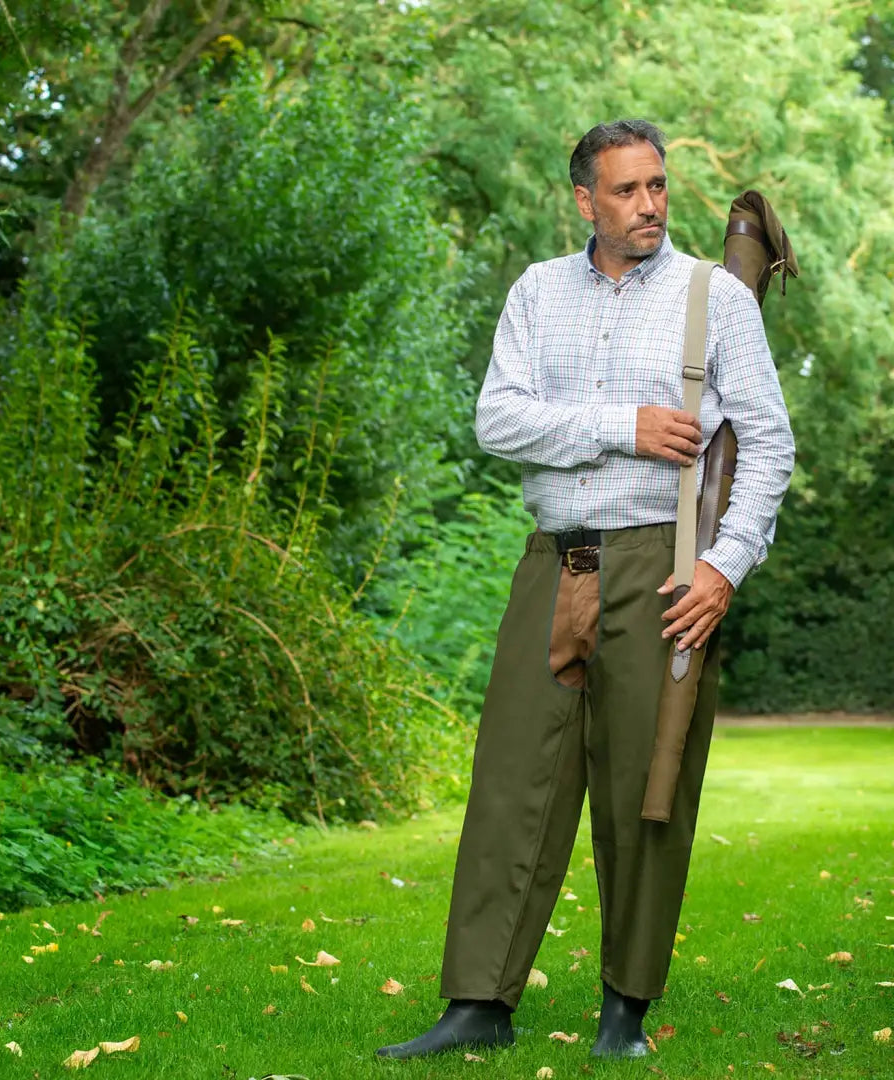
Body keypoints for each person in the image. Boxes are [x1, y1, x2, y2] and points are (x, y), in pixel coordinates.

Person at [376, 119, 794, 1061]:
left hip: (664, 569)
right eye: (626, 190)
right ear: (583, 199)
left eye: (658, 186)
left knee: (646, 790)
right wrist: (624, 425)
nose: (649, 205)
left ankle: (624, 1011)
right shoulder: (536, 292)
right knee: (510, 784)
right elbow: (499, 419)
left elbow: (768, 443)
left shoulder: (713, 298)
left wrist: (725, 567)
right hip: (552, 561)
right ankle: (478, 1004)